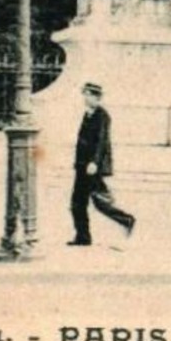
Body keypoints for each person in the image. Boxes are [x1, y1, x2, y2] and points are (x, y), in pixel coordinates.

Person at [68, 83, 135, 247]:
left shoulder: (102, 115)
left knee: (99, 202)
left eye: (88, 94)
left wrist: (94, 162)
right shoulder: (88, 114)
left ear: (96, 97)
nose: (85, 97)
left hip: (91, 167)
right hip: (82, 166)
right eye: (84, 94)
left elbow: (101, 142)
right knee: (78, 202)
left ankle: (127, 220)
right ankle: (83, 237)